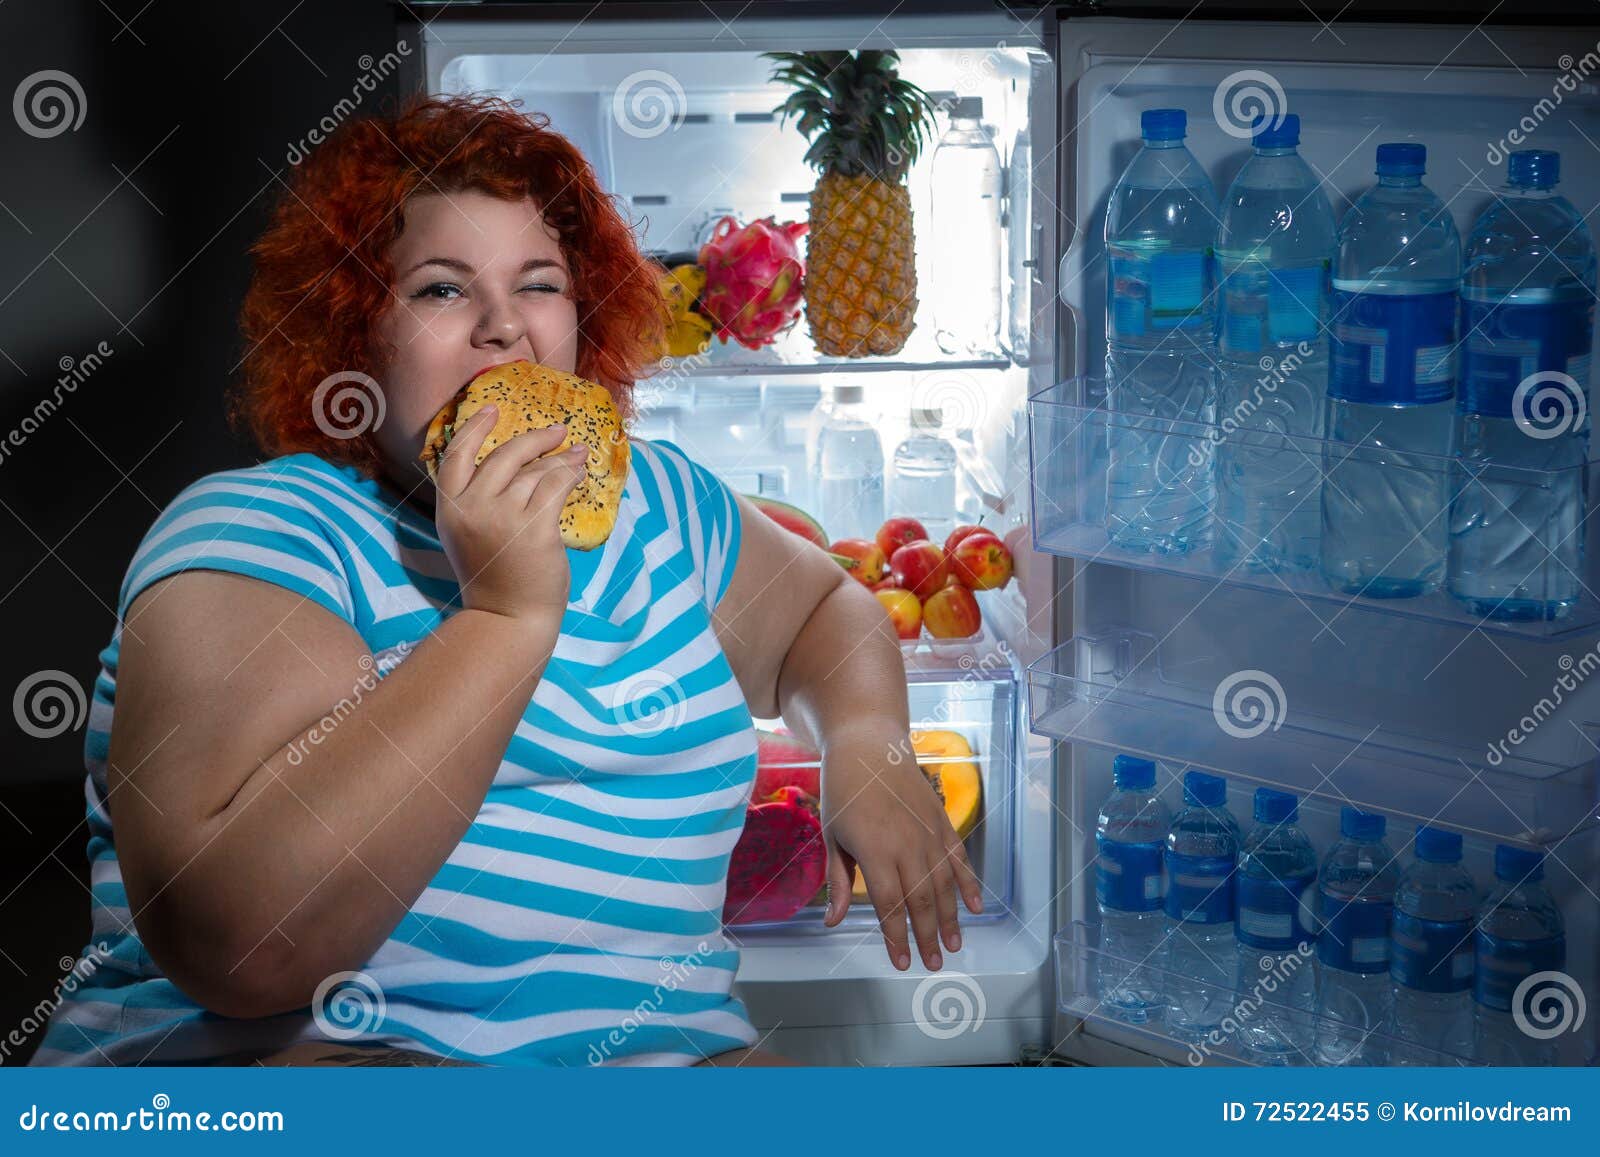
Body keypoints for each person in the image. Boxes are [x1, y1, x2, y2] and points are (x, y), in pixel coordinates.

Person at [28, 94, 980, 1068]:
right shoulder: (267, 533)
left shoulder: (661, 505)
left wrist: (867, 740)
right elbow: (241, 946)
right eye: (441, 289)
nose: (503, 330)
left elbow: (827, 608)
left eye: (540, 284)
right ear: (355, 333)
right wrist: (508, 613)